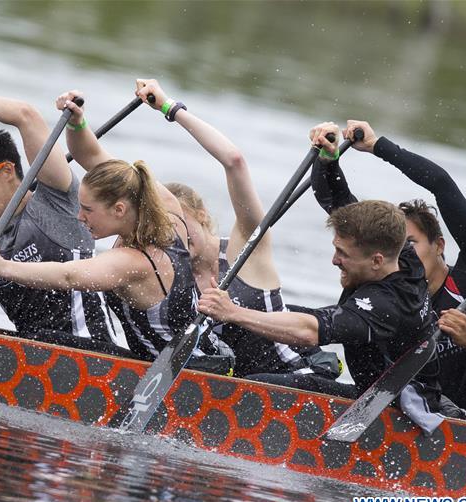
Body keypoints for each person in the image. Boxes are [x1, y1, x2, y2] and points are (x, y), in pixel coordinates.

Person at [0, 90, 232, 372]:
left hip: (192, 376)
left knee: (43, 340)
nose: (79, 217)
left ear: (119, 209)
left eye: (88, 210)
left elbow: (69, 275)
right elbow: (91, 154)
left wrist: (3, 266)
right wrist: (77, 123)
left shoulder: (134, 262)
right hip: (215, 357)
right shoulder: (168, 211)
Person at [311, 119, 466, 426]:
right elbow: (339, 205)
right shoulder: (394, 289)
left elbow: (442, 185)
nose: (400, 254)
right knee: (303, 386)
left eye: (410, 244)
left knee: (442, 414)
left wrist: (379, 147)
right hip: (415, 412)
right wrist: (327, 160)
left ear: (439, 245)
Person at [138, 78, 339, 379]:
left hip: (298, 378)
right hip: (236, 389)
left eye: (180, 223)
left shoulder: (247, 246)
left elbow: (234, 161)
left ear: (202, 215)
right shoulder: (169, 271)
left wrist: (169, 107)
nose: (174, 235)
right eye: (164, 228)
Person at [198, 197, 452, 431]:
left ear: (376, 261)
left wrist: (232, 312)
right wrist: (328, 161)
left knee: (258, 385)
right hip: (371, 393)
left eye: (343, 254)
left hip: (400, 410)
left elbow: (310, 331)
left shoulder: (386, 306)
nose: (334, 260)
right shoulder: (400, 253)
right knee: (263, 345)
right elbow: (338, 199)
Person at [0, 80, 115, 347]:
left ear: (7, 171)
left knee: (41, 337)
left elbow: (25, 116)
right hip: (30, 354)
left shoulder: (56, 200)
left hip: (94, 353)